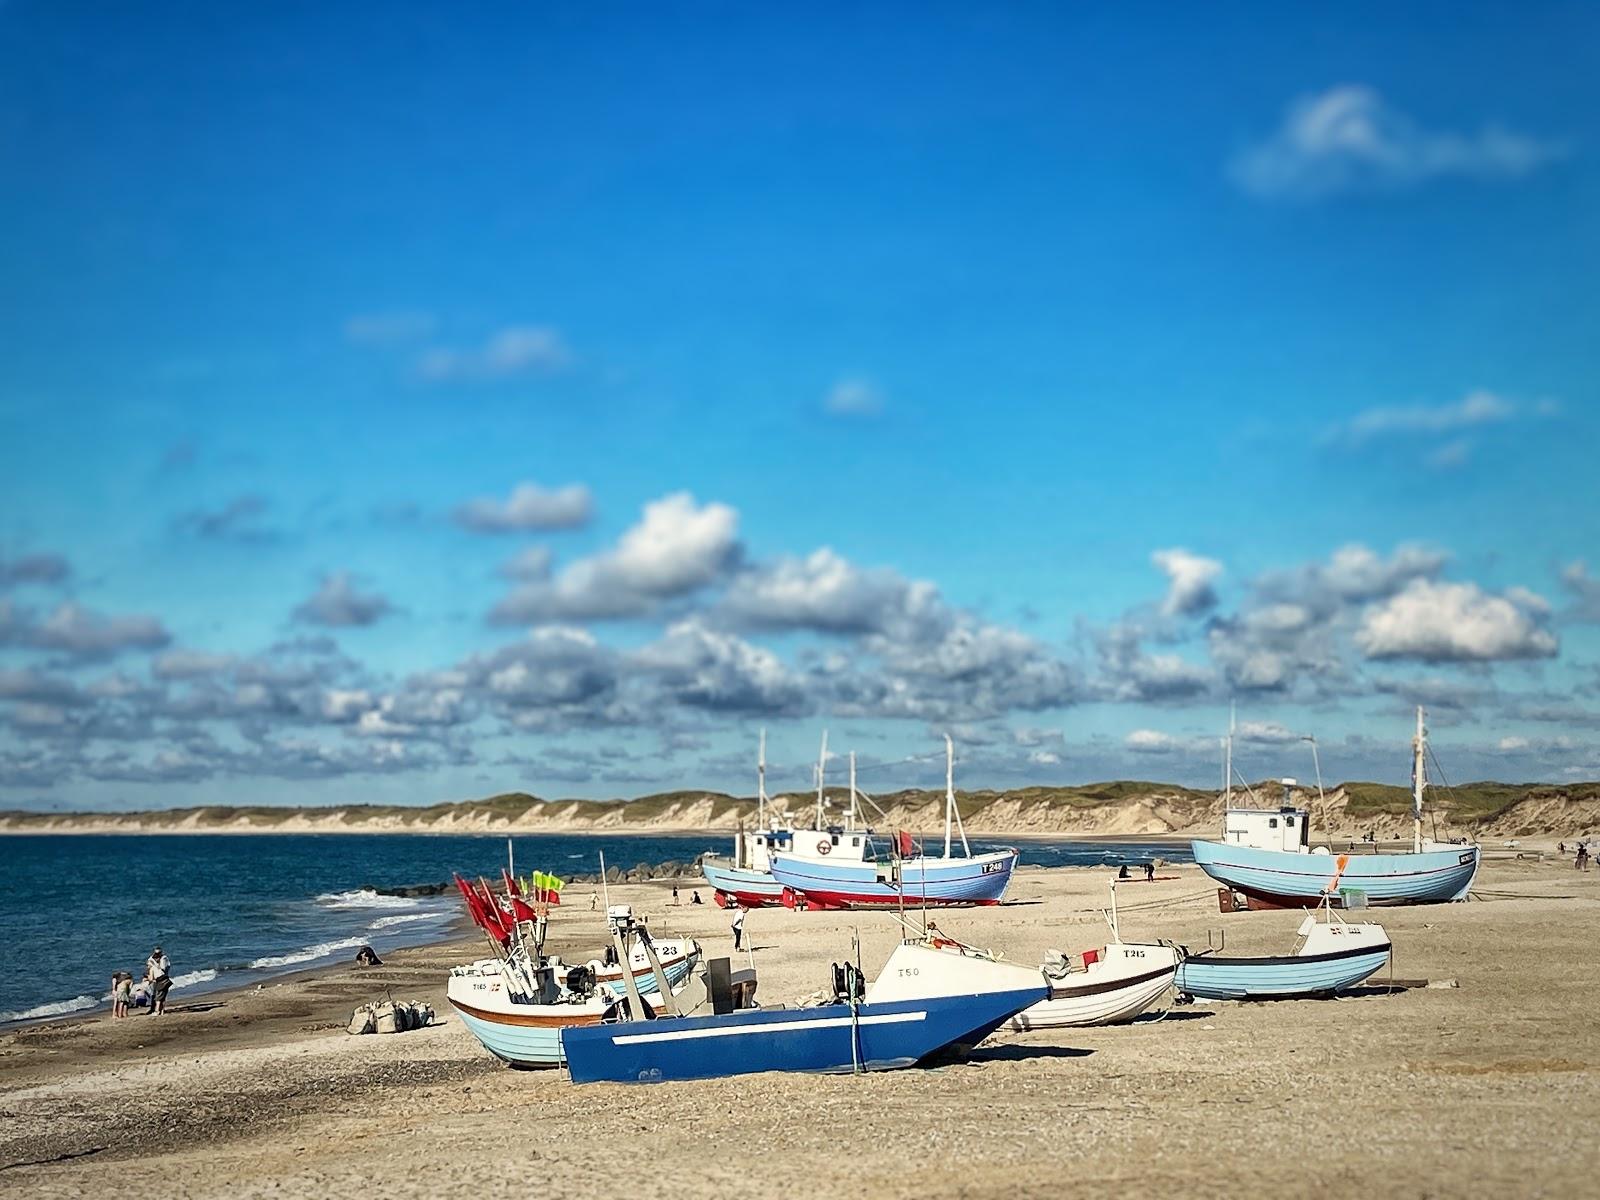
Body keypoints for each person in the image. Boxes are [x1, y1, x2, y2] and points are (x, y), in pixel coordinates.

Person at [145, 945, 171, 1016]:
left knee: (159, 996)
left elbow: (165, 968)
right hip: (160, 978)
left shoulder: (164, 959)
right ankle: (158, 1010)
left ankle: (157, 1011)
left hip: (160, 979)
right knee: (159, 995)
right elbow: (149, 967)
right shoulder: (152, 959)